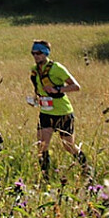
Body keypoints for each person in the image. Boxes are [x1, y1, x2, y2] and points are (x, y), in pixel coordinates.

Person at [29, 40, 89, 177]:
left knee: (68, 146)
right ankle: (45, 177)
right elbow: (39, 88)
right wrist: (36, 99)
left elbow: (76, 86)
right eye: (33, 53)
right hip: (45, 111)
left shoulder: (57, 68)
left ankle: (86, 168)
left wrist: (57, 89)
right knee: (42, 145)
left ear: (45, 53)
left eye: (38, 53)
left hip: (63, 112)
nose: (35, 56)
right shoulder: (34, 70)